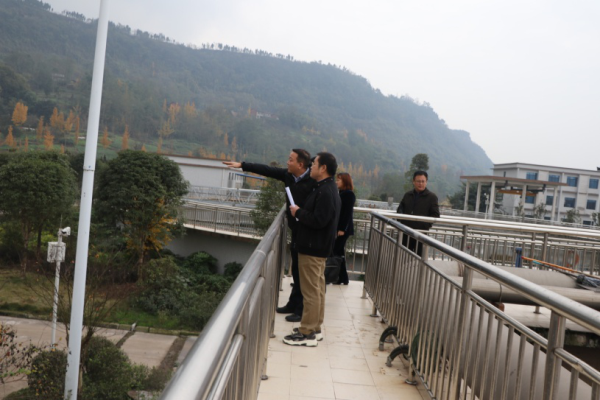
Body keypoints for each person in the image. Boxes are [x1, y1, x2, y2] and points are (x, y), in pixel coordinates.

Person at [223, 149, 314, 322]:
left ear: (300, 164)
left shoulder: (313, 180)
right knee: (296, 269)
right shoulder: (289, 176)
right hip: (296, 229)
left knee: (303, 272)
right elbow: (267, 170)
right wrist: (243, 165)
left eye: (290, 160)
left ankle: (301, 310)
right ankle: (293, 304)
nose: (287, 162)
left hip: (308, 230)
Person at [283, 152, 341, 347]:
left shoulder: (325, 191)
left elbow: (319, 220)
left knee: (310, 292)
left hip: (312, 247)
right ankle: (314, 328)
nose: (311, 167)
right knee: (316, 290)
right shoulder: (326, 188)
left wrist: (298, 212)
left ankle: (307, 332)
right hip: (317, 246)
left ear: (323, 168)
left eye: (314, 164)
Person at [396, 171, 440, 256]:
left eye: (423, 181)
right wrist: (403, 221)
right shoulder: (408, 195)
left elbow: (435, 215)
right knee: (403, 257)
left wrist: (424, 225)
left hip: (421, 234)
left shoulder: (432, 197)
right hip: (406, 232)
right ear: (413, 181)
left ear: (426, 182)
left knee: (418, 260)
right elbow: (400, 209)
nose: (421, 183)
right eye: (418, 181)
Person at [332, 172, 355, 285]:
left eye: (339, 180)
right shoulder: (341, 193)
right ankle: (342, 278)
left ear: (345, 181)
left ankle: (339, 276)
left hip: (343, 230)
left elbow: (347, 213)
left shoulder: (349, 194)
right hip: (339, 229)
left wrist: (342, 229)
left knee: (335, 251)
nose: (336, 182)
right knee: (339, 252)